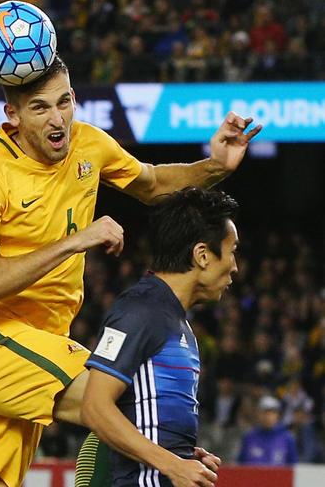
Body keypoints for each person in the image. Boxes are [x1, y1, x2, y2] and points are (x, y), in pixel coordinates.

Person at [0, 54, 261, 487]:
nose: (58, 119)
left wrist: (215, 168)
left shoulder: (88, 144)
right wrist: (169, 452)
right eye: (40, 108)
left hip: (41, 346)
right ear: (13, 116)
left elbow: (150, 184)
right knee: (116, 402)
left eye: (64, 102)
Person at [81, 187, 239, 487]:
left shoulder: (178, 321)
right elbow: (95, 407)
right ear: (202, 255)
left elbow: (144, 412)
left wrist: (181, 454)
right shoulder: (141, 309)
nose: (234, 266)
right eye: (232, 251)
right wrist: (172, 464)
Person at [237, 395, 298, 466]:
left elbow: (293, 466)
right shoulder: (249, 437)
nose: (268, 417)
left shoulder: (287, 438)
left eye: (272, 413)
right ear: (258, 414)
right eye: (265, 413)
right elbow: (241, 464)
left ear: (277, 415)